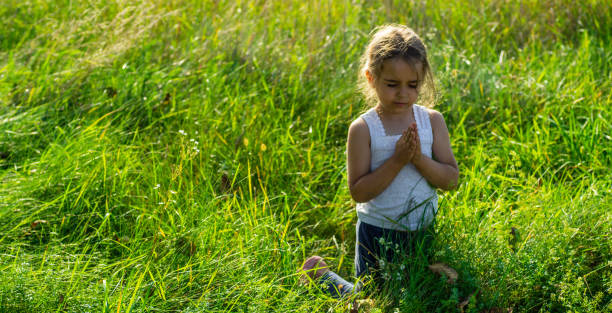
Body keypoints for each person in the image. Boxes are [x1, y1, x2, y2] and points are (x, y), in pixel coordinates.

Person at [301, 24, 459, 298]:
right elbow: (359, 191)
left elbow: (451, 180)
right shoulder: (364, 129)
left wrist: (418, 159)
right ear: (371, 78)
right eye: (392, 84)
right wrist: (398, 160)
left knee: (416, 296)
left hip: (422, 231)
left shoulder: (431, 122)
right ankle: (321, 276)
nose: (403, 94)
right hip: (378, 233)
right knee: (370, 302)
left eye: (413, 85)